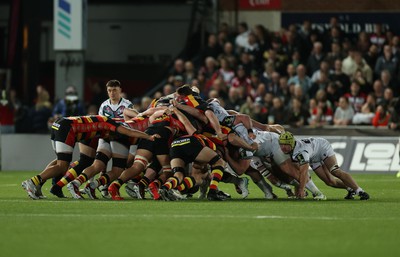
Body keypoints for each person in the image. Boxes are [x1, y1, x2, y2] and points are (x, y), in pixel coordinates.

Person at [21, 115, 159, 200]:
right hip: (68, 128)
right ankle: (33, 182)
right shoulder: (110, 124)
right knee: (62, 166)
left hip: (60, 124)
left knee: (60, 161)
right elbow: (128, 131)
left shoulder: (103, 123)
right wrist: (148, 136)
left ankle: (38, 185)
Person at [278, 131, 370, 200]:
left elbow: (304, 172)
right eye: (281, 144)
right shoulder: (291, 150)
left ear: (291, 143)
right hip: (313, 156)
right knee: (330, 182)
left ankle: (360, 191)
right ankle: (350, 188)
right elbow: (297, 172)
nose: (283, 147)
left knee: (335, 171)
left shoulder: (301, 152)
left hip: (322, 147)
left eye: (285, 144)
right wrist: (298, 190)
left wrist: (302, 189)